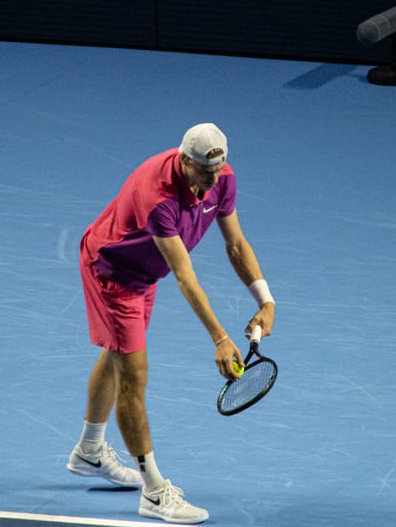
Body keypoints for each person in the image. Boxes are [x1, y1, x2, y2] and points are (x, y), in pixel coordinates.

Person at [66, 123, 276, 524]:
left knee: (118, 355)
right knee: (134, 375)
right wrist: (220, 337)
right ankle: (154, 492)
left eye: (218, 172)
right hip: (113, 272)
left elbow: (235, 243)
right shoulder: (158, 196)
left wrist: (265, 300)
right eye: (204, 173)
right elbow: (184, 275)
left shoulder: (221, 178)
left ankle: (89, 452)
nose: (212, 181)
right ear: (184, 162)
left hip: (145, 273)